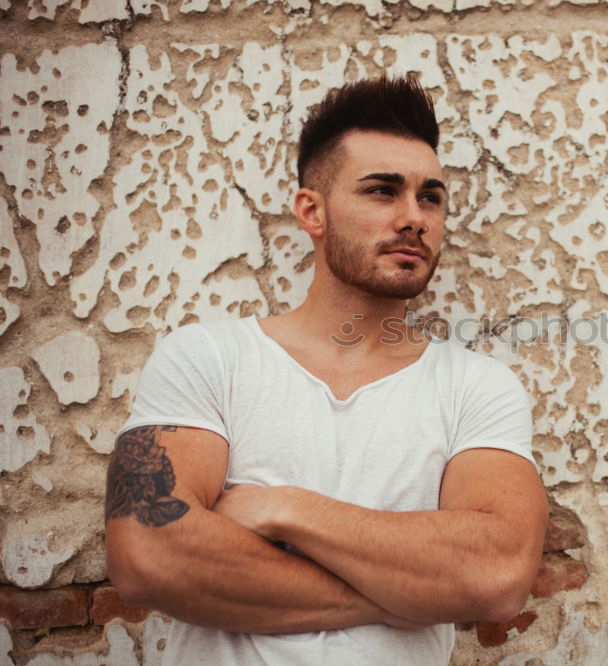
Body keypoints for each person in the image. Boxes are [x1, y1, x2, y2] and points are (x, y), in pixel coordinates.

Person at [104, 75, 548, 665]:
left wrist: (285, 507)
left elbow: (497, 574)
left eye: (431, 197)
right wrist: (398, 595)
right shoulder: (209, 359)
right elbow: (148, 554)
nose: (414, 217)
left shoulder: (476, 388)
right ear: (311, 211)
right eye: (382, 192)